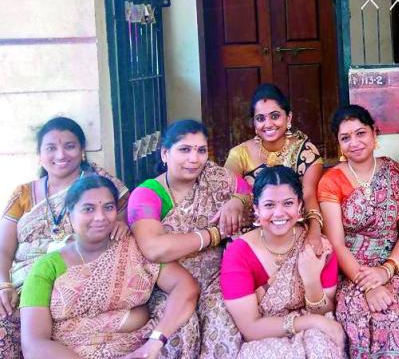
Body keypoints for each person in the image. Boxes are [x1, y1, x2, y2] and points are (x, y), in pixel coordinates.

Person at [19, 176, 198, 358]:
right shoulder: (47, 267)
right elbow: (34, 344)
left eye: (108, 207)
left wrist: (154, 342)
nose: (100, 217)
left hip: (138, 352)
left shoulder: (136, 248)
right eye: (88, 209)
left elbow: (185, 287)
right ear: (69, 214)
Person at [318, 105, 399, 358]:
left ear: (374, 133)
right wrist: (368, 285)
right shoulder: (331, 181)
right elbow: (337, 244)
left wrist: (386, 270)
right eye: (345, 138)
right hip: (351, 270)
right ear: (339, 145)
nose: (354, 142)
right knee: (366, 315)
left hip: (391, 264)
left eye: (360, 133)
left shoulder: (394, 172)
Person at [0, 117, 128, 358]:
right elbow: (3, 249)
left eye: (69, 146)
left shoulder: (102, 186)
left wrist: (123, 223)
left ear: (82, 151)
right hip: (21, 280)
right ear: (39, 154)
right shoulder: (23, 194)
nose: (61, 154)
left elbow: (124, 218)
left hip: (72, 277)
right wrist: (3, 284)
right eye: (51, 148)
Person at [127, 119, 251, 358]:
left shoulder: (216, 178)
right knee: (179, 333)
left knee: (223, 321)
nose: (194, 159)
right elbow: (154, 249)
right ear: (165, 153)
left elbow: (248, 193)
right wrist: (214, 234)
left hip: (217, 279)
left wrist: (237, 202)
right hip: (167, 286)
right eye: (184, 149)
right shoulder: (147, 194)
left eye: (201, 150)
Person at [220, 166, 344, 358]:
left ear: (300, 206)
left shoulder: (318, 247)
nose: (279, 213)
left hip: (314, 332)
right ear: (256, 209)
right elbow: (250, 328)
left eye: (288, 203)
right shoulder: (239, 253)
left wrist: (311, 280)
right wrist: (310, 322)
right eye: (269, 205)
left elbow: (326, 310)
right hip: (263, 336)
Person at [224, 83, 325, 254]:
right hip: (250, 231)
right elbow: (228, 188)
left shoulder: (305, 152)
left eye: (275, 116)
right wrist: (237, 200)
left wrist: (315, 231)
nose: (268, 124)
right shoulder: (240, 153)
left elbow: (308, 195)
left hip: (290, 227)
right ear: (254, 123)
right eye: (260, 118)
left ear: (289, 118)